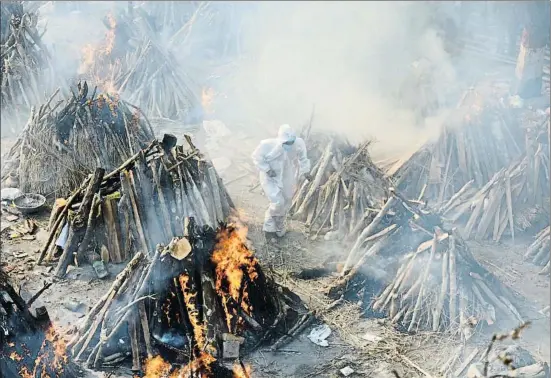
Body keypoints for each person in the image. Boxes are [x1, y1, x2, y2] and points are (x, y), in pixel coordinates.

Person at [252, 124, 311, 240]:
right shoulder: (267, 145)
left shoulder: (299, 143)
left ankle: (279, 226)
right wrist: (267, 169)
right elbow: (256, 157)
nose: (289, 145)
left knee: (287, 200)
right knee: (277, 202)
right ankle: (268, 229)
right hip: (270, 176)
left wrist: (306, 171)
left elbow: (303, 158)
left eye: (291, 142)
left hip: (287, 174)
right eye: (286, 143)